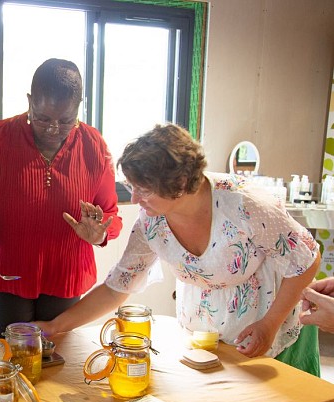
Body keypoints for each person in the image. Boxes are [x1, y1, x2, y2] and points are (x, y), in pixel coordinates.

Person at [37, 123, 322, 375]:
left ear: (181, 183)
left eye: (144, 189)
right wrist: (55, 326)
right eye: (130, 186)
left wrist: (270, 324)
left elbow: (306, 259)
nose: (135, 199)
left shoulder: (245, 205)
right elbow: (117, 287)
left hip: (270, 327)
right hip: (206, 333)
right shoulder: (152, 221)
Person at [0, 58, 123, 339]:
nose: (53, 129)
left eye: (65, 121)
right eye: (43, 118)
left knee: (57, 363)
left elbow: (110, 215)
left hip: (66, 275)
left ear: (79, 107)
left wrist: (99, 234)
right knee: (13, 359)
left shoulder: (94, 146)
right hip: (8, 275)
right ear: (29, 101)